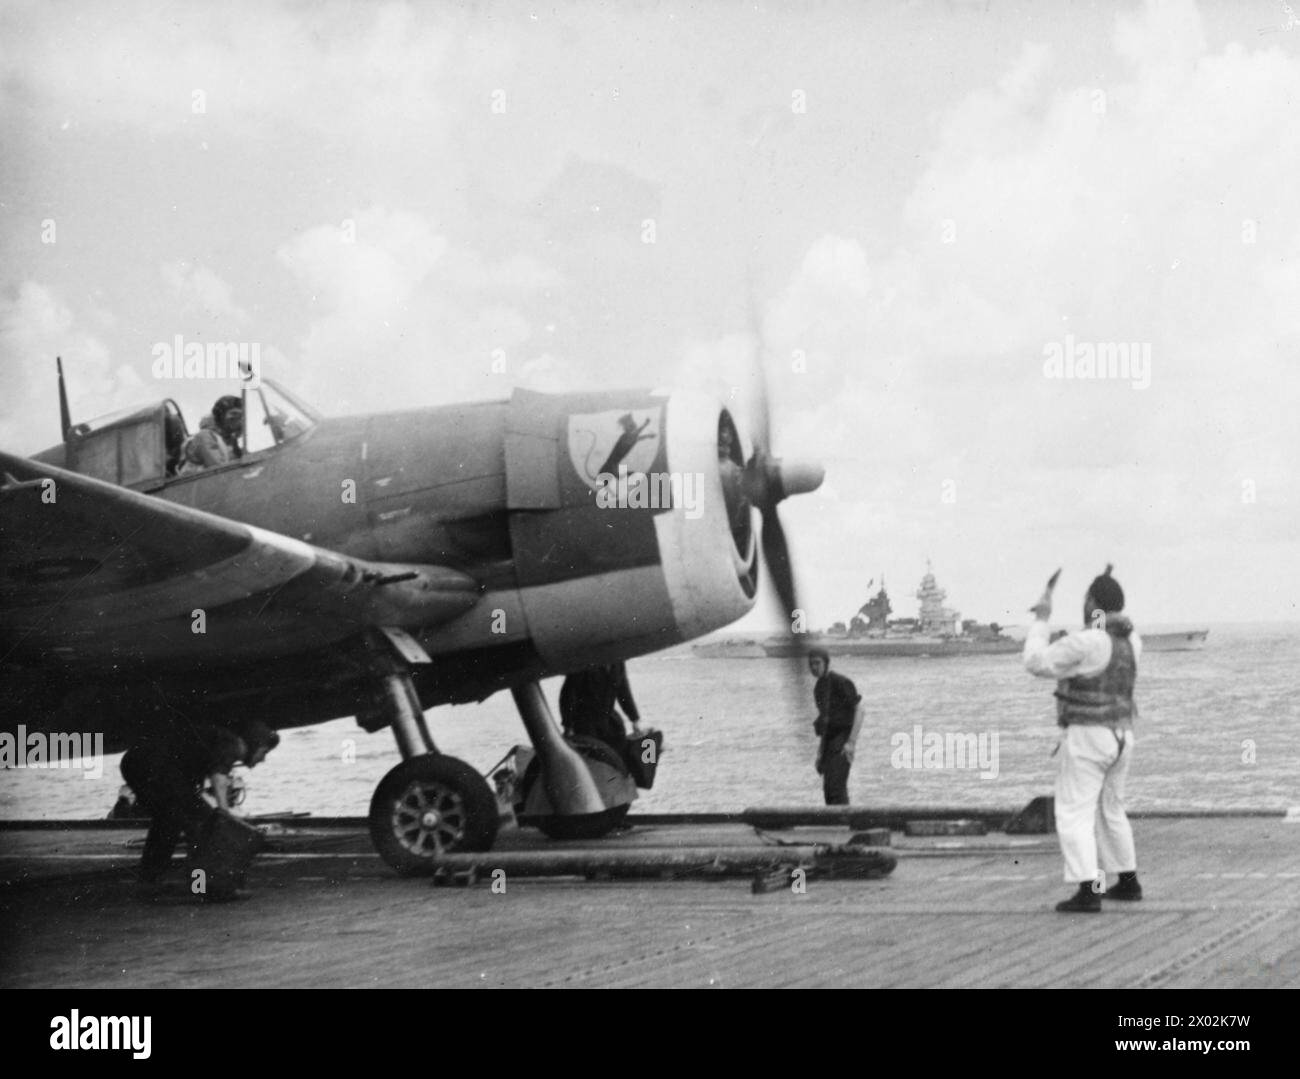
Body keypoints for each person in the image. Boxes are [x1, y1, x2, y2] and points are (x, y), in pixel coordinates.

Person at [1023, 565, 1143, 913]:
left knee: (1074, 812)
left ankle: (1089, 888)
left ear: (1093, 603)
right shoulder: (1133, 641)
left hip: (1089, 736)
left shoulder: (1089, 640)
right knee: (1112, 810)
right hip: (1122, 734)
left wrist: (1042, 619)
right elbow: (1102, 638)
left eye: (1086, 599)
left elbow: (1036, 662)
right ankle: (1128, 881)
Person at [119, 718, 279, 901]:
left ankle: (148, 883)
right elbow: (218, 780)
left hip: (136, 762)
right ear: (254, 744)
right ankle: (201, 887)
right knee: (202, 825)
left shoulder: (217, 740)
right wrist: (225, 816)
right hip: (154, 767)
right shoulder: (233, 745)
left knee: (167, 822)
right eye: (264, 752)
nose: (263, 759)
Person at [808, 648, 864, 805]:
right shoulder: (819, 688)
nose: (814, 667)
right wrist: (820, 754)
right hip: (829, 742)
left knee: (836, 787)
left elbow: (860, 710)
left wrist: (851, 743)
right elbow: (825, 723)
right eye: (811, 664)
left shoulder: (840, 682)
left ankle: (843, 825)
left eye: (817, 663)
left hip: (843, 739)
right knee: (828, 789)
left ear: (826, 663)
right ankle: (835, 826)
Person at [179, 395, 244, 472]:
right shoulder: (205, 436)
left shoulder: (230, 441)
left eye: (241, 416)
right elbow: (219, 470)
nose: (238, 420)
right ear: (221, 416)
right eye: (233, 415)